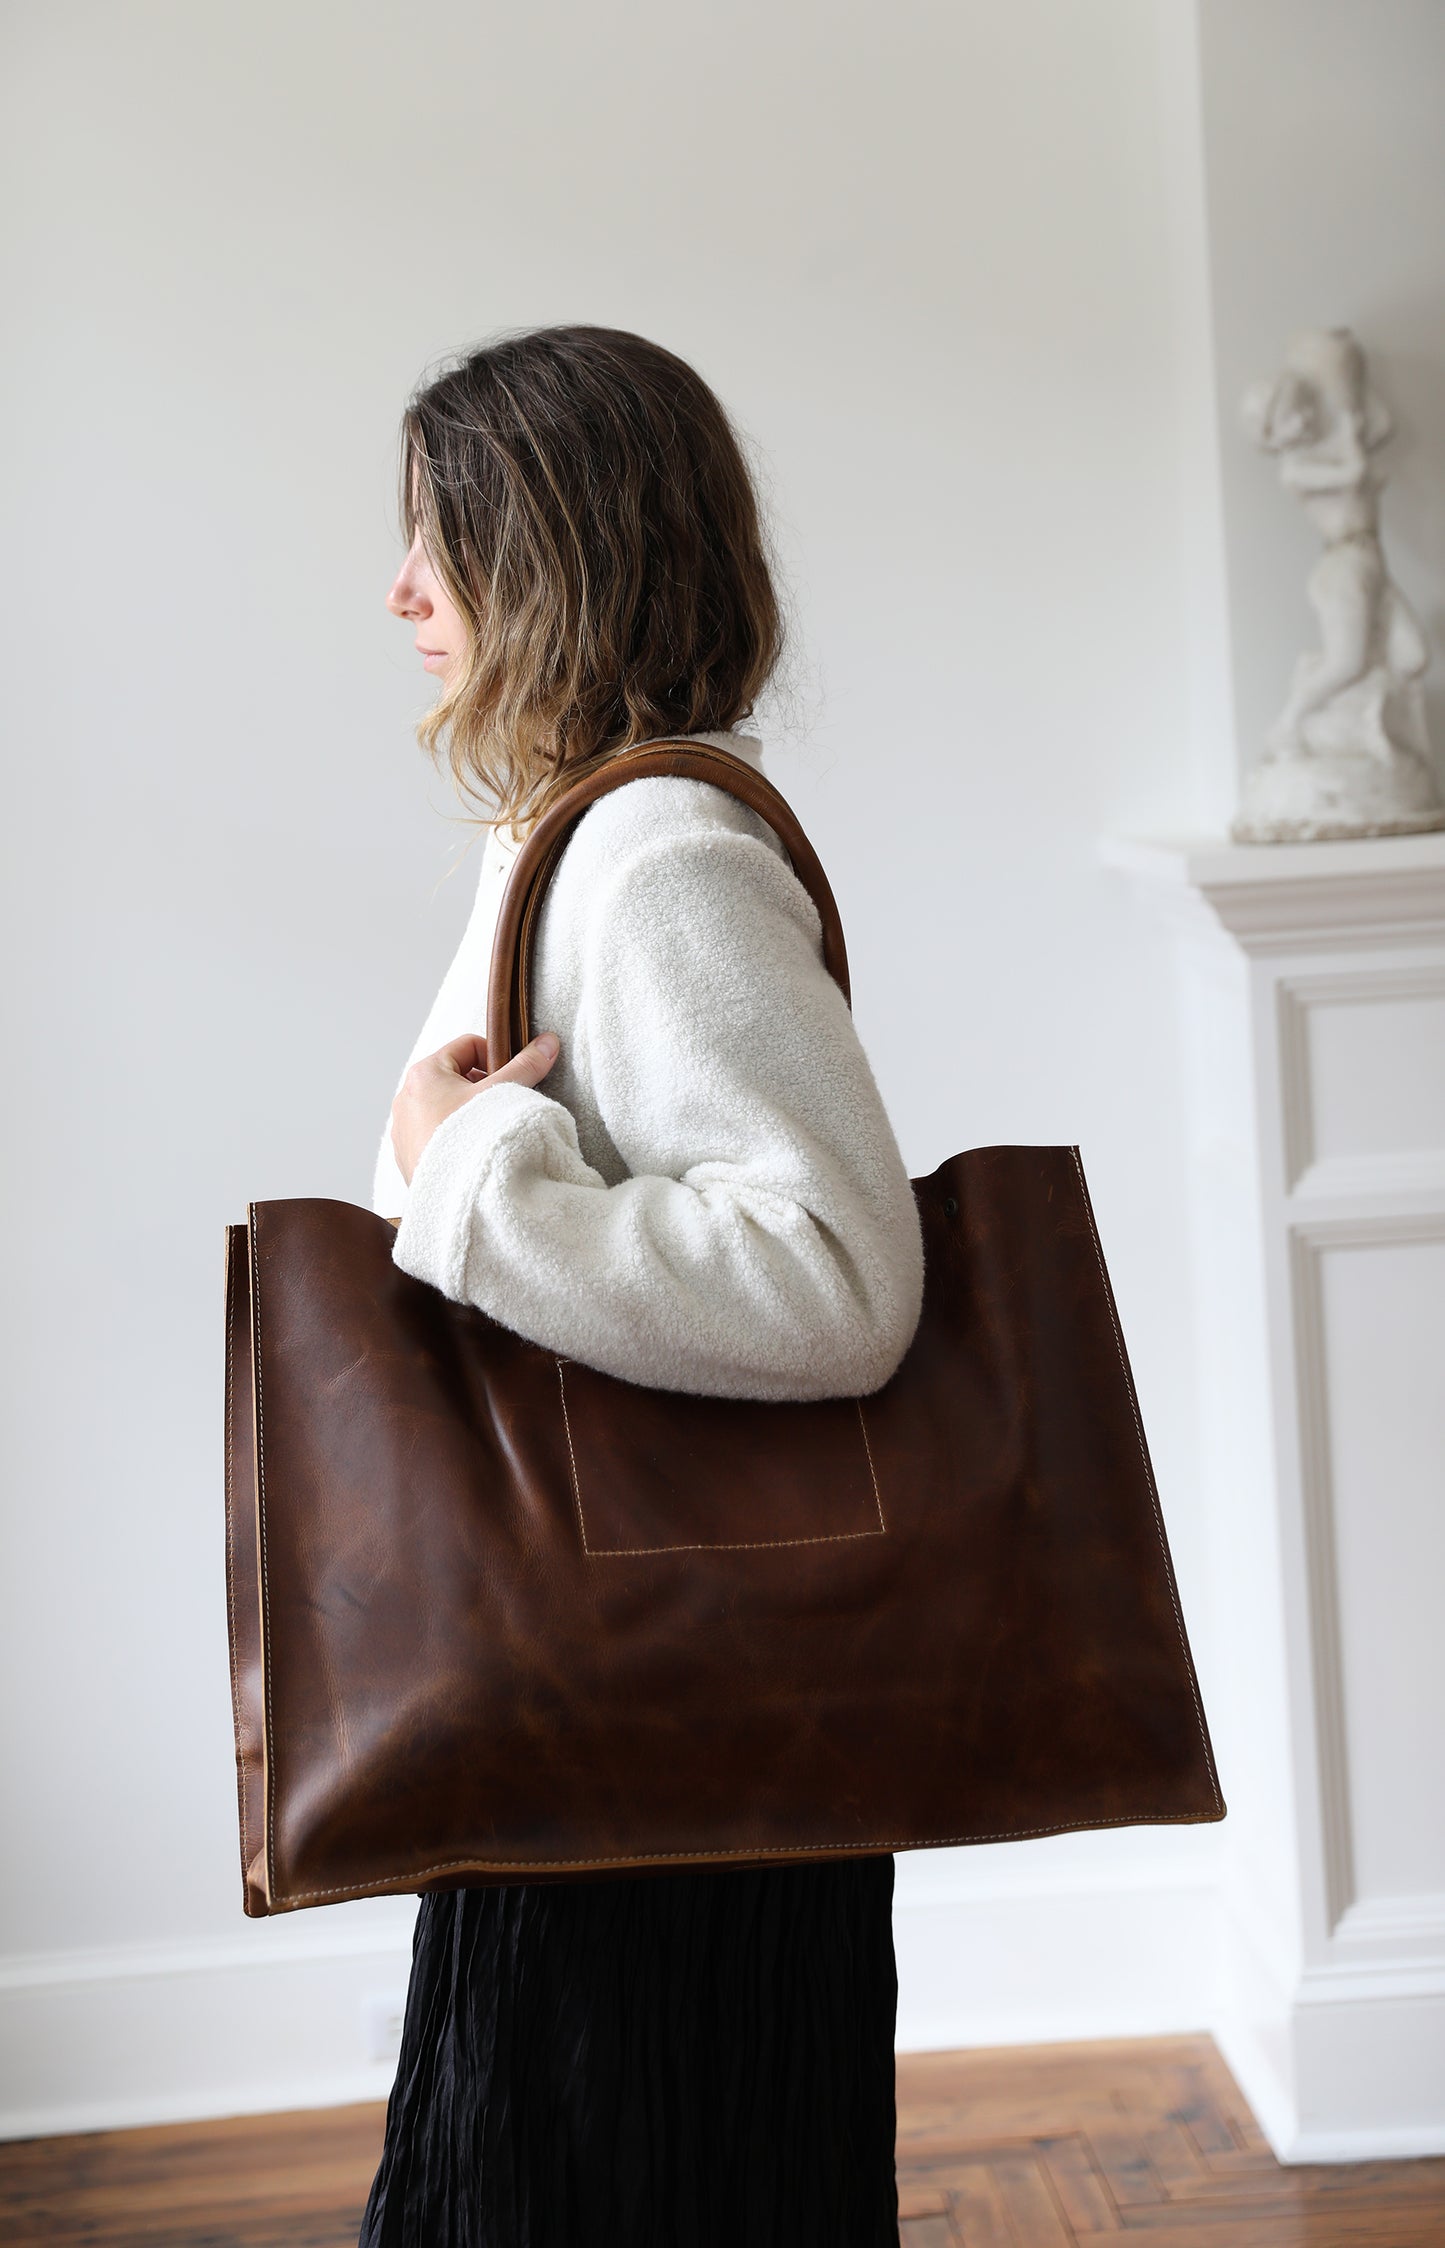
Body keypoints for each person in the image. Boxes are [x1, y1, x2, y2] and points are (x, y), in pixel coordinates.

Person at [358, 325, 926, 2248]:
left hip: (673, 1739)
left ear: (557, 558)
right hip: (620, 1714)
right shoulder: (568, 833)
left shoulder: (658, 855)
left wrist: (475, 1175)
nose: (402, 590)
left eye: (440, 541)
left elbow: (840, 1279)